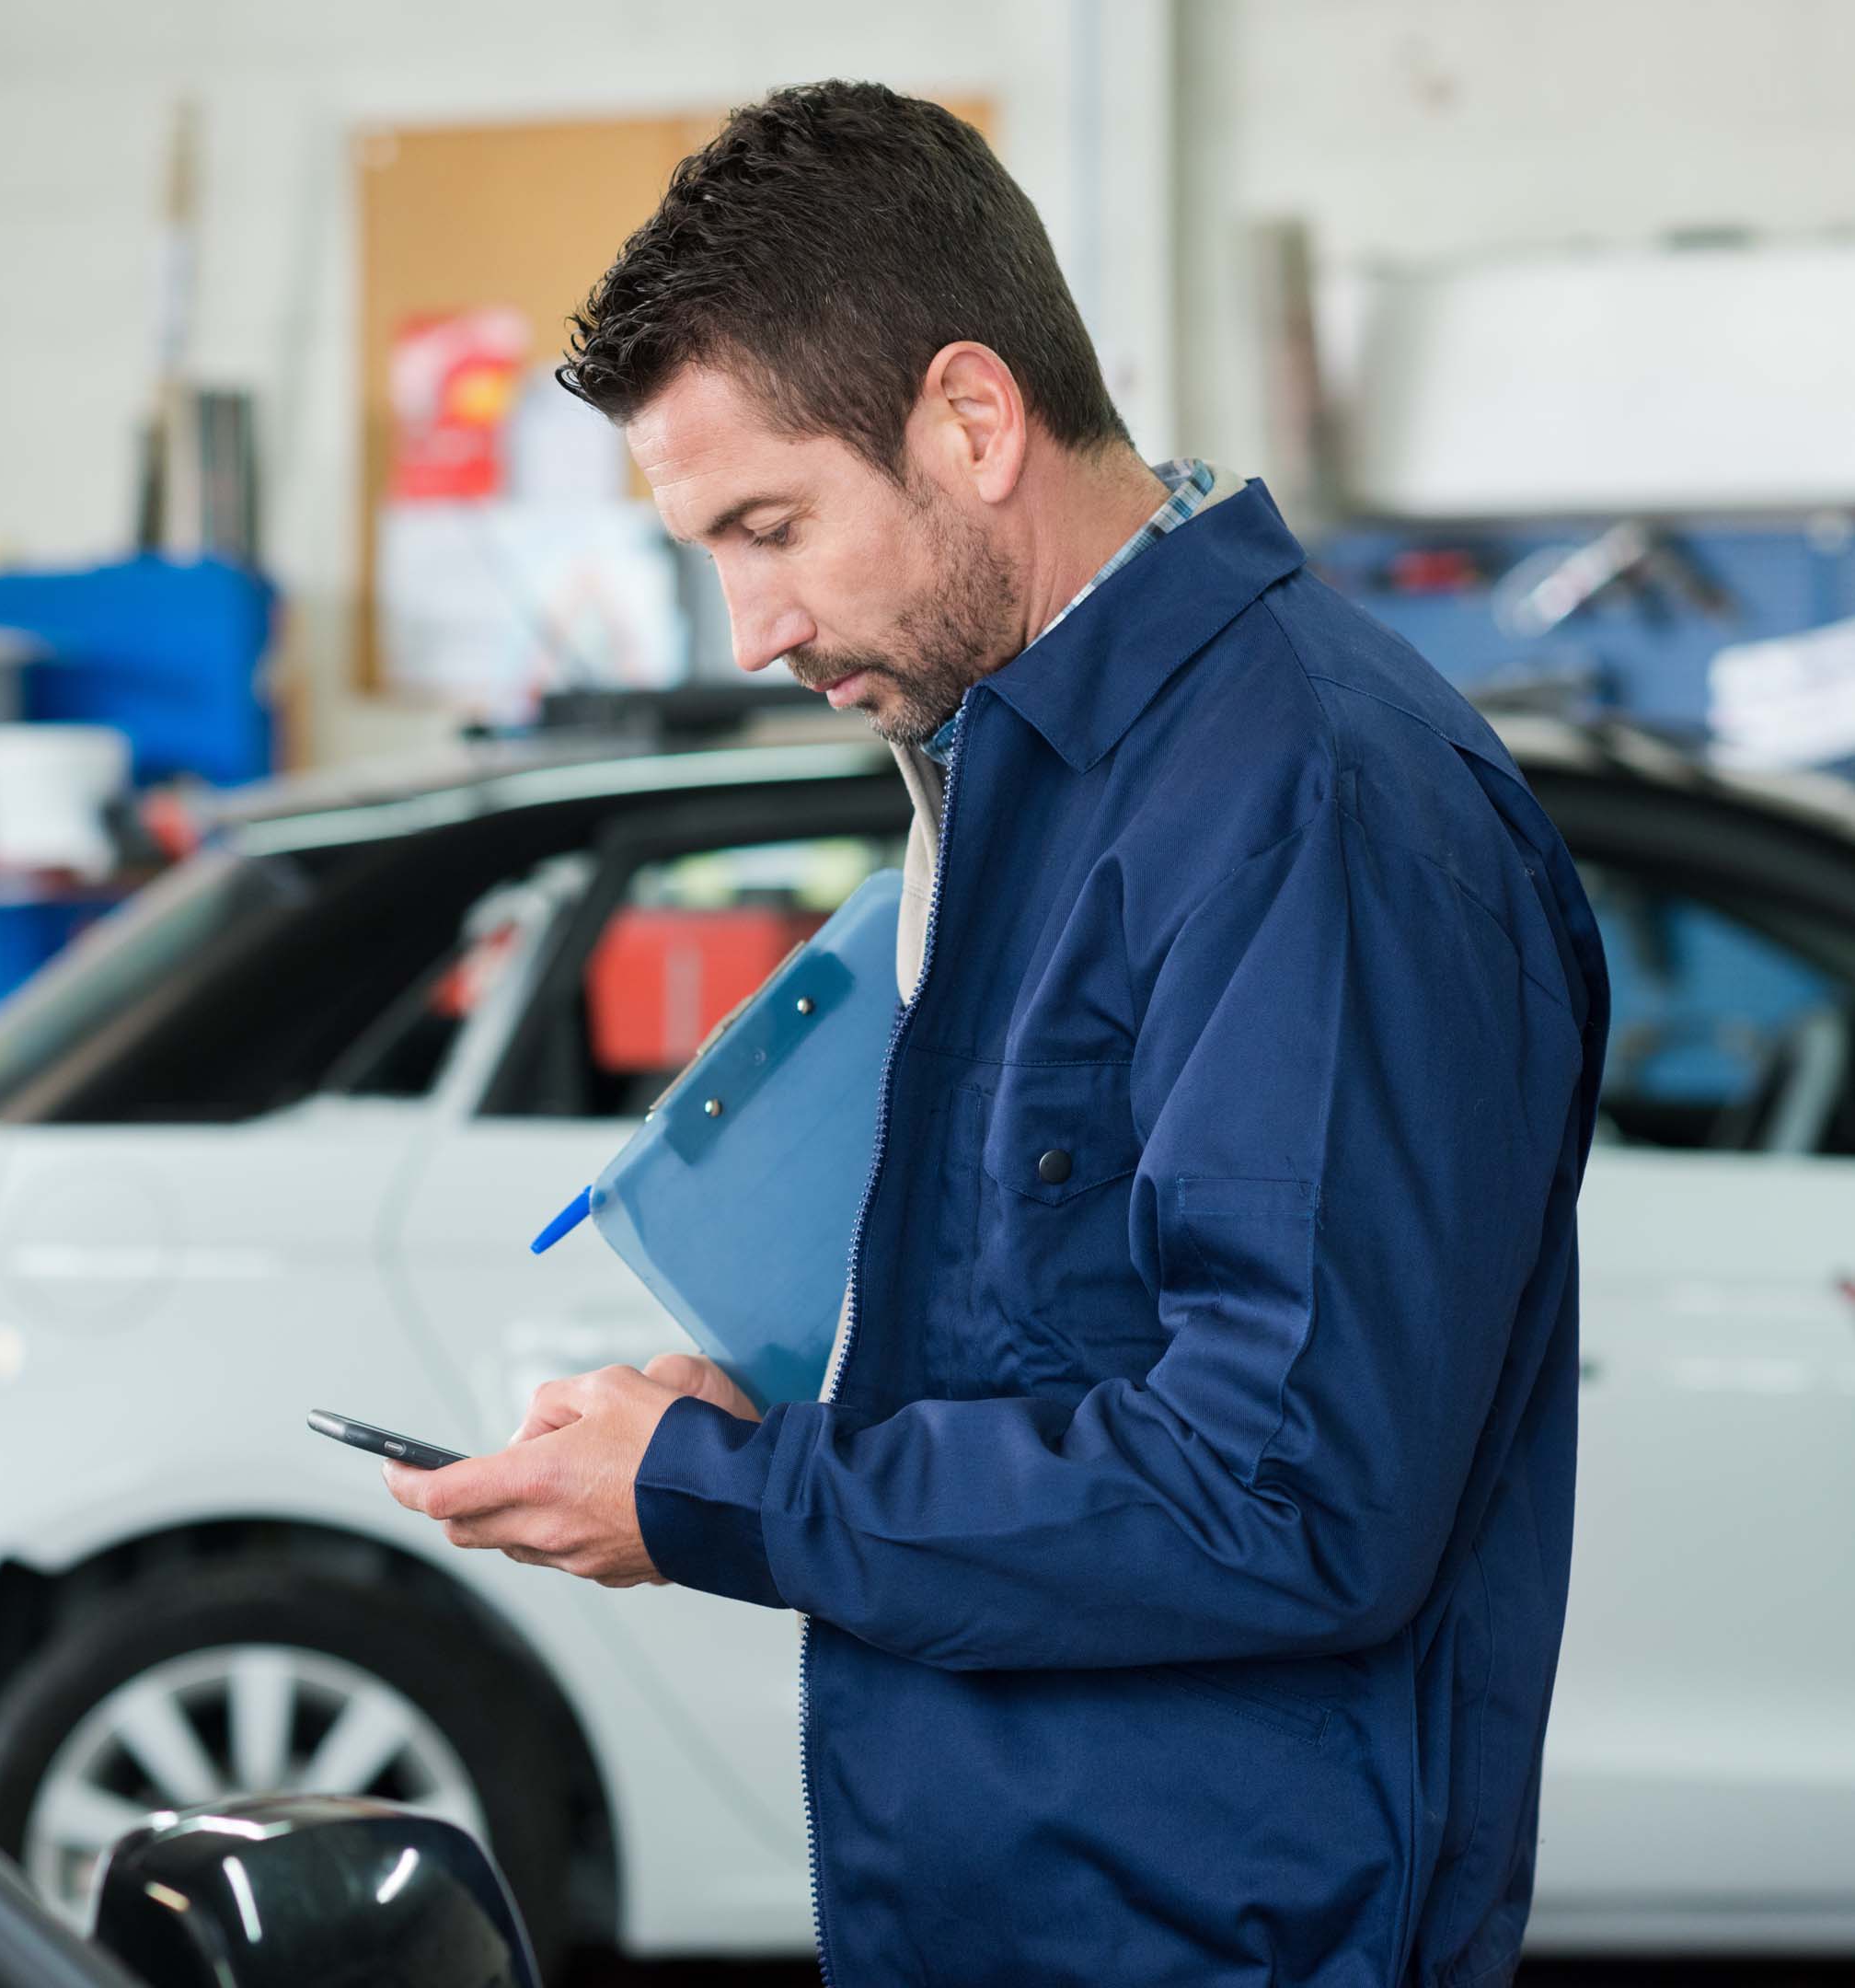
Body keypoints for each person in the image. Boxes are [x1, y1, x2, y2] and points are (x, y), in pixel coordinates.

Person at [384, 81, 1607, 1987]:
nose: (749, 627)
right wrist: (773, 1431)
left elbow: (1280, 1496)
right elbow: (1075, 1349)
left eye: (770, 525)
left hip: (1220, 1939)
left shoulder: (1306, 807)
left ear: (969, 419)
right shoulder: (1035, 773)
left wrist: (726, 1500)